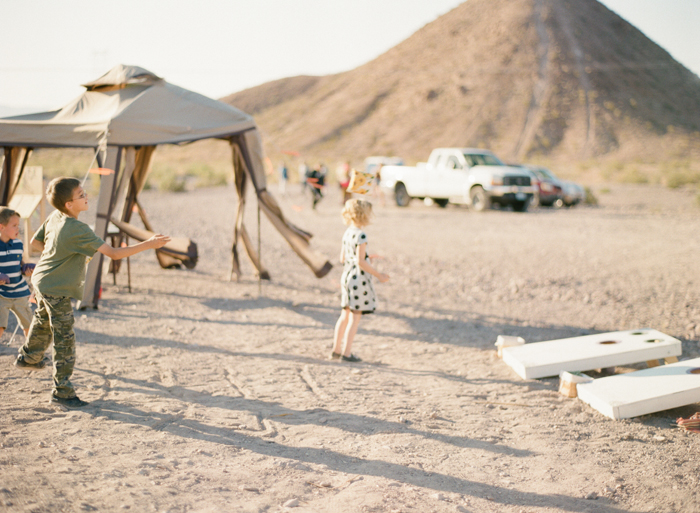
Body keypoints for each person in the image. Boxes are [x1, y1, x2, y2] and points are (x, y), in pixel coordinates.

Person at [14, 177, 170, 408]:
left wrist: (60, 254)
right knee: (64, 339)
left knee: (43, 319)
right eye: (81, 195)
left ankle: (29, 357)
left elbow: (35, 243)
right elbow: (114, 254)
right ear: (69, 204)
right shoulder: (77, 229)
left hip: (40, 280)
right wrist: (149, 243)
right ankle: (62, 391)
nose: (86, 196)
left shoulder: (55, 216)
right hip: (54, 287)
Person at [331, 199, 389, 362]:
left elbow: (343, 258)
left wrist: (363, 257)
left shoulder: (348, 232)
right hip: (358, 280)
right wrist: (379, 275)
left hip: (347, 277)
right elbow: (360, 262)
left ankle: (336, 350)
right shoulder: (361, 235)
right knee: (355, 318)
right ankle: (347, 353)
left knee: (344, 315)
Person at [0, 207, 34, 340]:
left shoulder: (18, 244)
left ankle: (31, 355)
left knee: (29, 326)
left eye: (18, 225)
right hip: (1, 294)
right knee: (0, 326)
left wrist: (26, 268)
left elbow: (19, 263)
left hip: (19, 292)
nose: (17, 229)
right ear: (1, 227)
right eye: (14, 225)